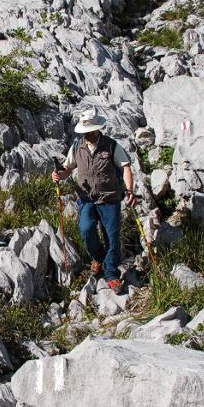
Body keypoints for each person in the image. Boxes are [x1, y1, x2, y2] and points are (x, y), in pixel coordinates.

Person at [51, 107, 136, 294]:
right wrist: (58, 175)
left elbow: (126, 166)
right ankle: (98, 257)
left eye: (90, 131)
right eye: (85, 131)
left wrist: (129, 191)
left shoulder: (111, 145)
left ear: (98, 129)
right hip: (86, 199)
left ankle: (111, 274)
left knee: (112, 237)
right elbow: (67, 169)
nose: (87, 134)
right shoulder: (76, 147)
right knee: (86, 228)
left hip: (109, 198)